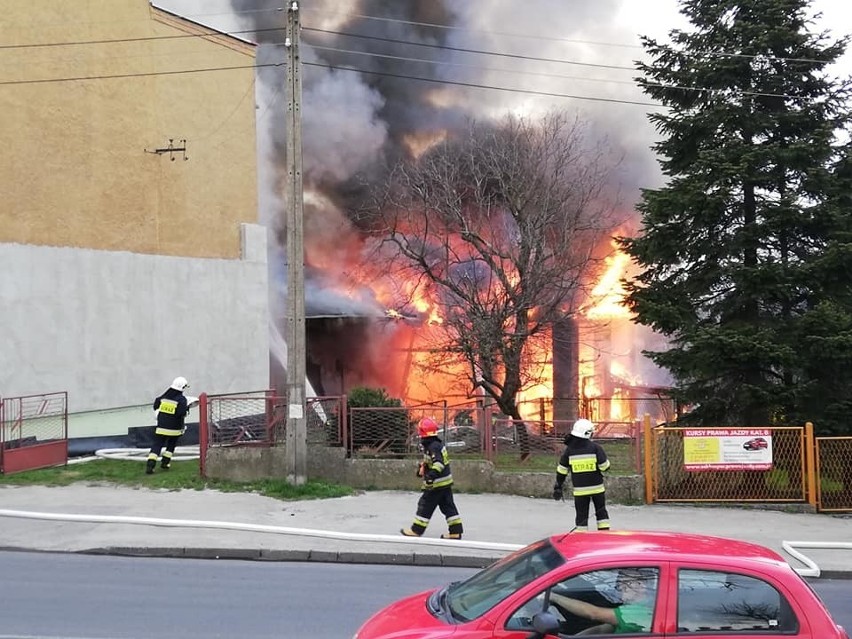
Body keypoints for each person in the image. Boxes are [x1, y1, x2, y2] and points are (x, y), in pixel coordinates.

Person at [400, 417, 464, 539]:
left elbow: (438, 464)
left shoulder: (432, 447)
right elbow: (433, 462)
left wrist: (430, 477)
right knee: (448, 507)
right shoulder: (435, 445)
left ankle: (416, 530)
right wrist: (423, 467)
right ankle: (455, 531)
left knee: (425, 506)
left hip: (436, 485)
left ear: (423, 432)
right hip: (445, 483)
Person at [549, 568, 656, 634]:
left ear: (642, 586)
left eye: (626, 583)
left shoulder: (639, 612)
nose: (620, 588)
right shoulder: (637, 606)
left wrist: (554, 597)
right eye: (619, 583)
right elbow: (603, 629)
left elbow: (593, 613)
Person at [552, 418, 611, 531]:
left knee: (581, 515)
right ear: (588, 433)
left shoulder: (569, 450)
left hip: (580, 491)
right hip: (597, 489)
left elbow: (562, 470)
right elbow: (604, 467)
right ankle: (604, 536)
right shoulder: (596, 448)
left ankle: (581, 539)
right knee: (601, 512)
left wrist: (558, 486)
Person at [145, 376, 197, 474]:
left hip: (161, 427)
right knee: (171, 446)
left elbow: (156, 405)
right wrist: (187, 408)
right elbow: (181, 413)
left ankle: (150, 465)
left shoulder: (164, 397)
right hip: (174, 429)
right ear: (182, 387)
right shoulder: (181, 399)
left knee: (157, 445)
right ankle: (165, 463)